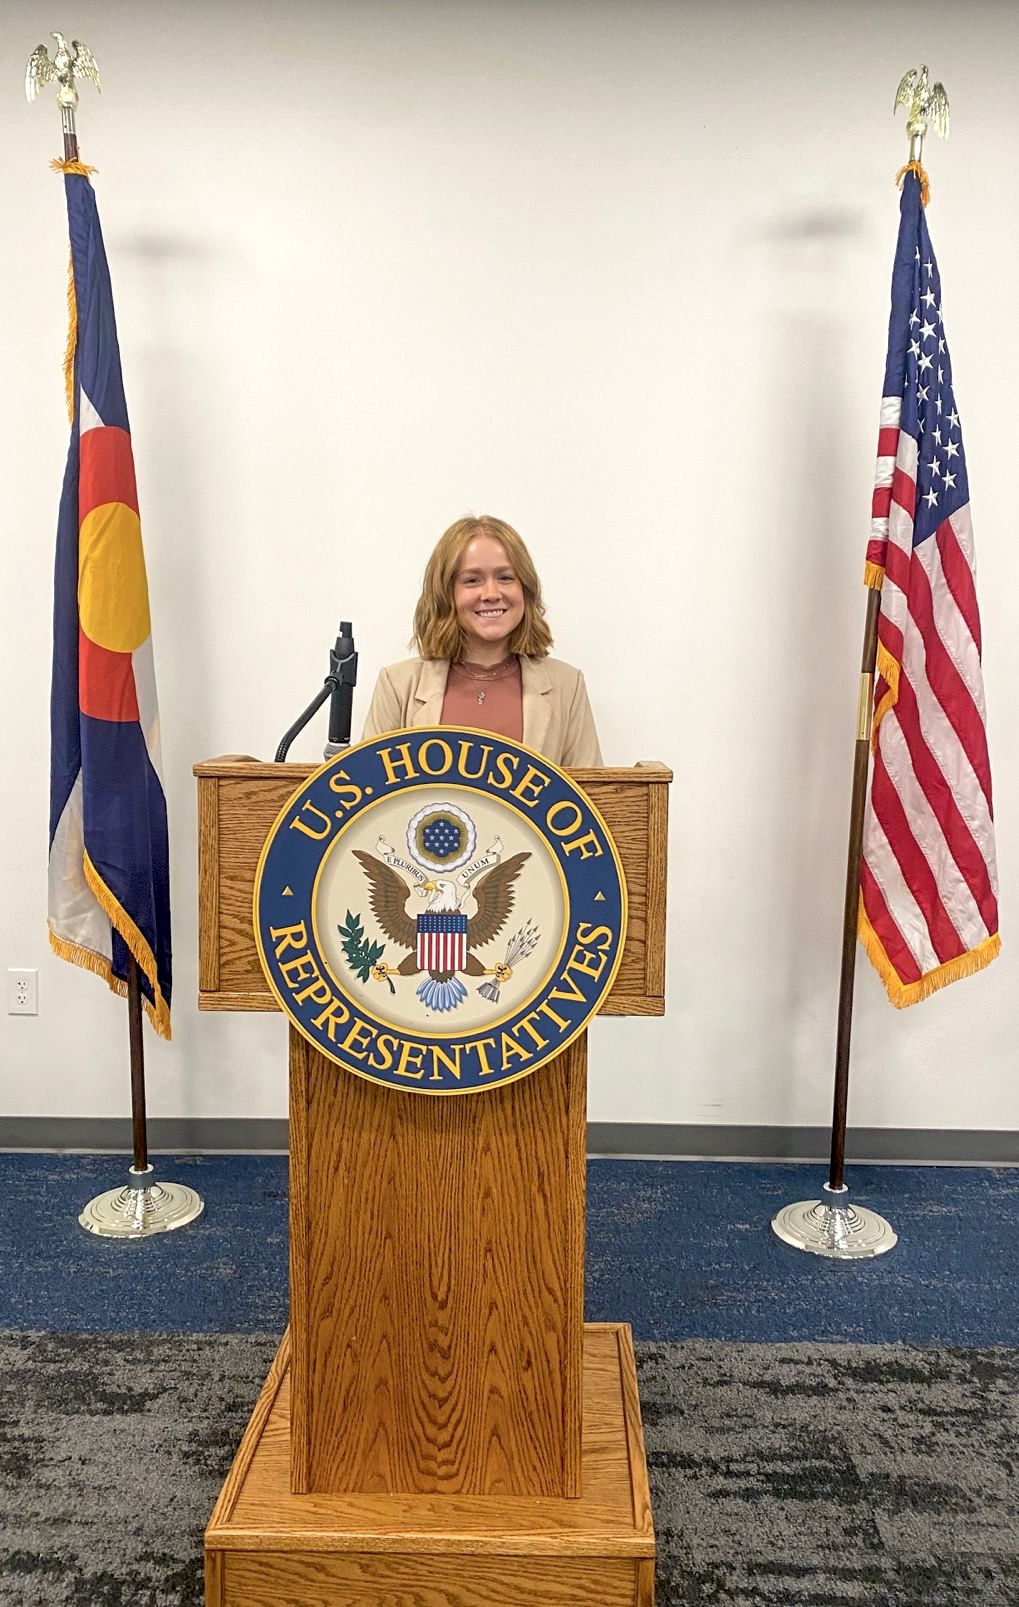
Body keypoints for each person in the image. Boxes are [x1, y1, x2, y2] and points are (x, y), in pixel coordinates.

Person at [361, 515, 603, 766]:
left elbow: (593, 798)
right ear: (446, 593)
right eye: (472, 580)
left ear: (526, 588)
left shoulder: (567, 685)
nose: (491, 594)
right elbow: (371, 794)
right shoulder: (397, 686)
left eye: (505, 577)